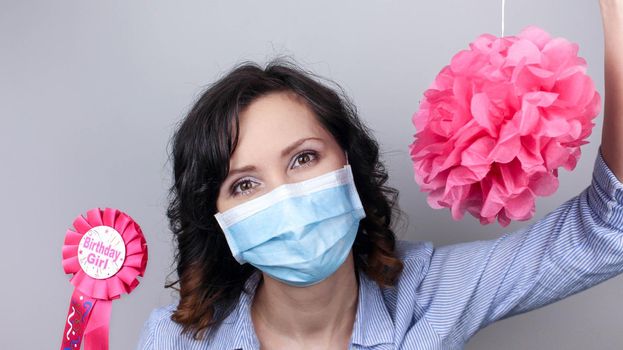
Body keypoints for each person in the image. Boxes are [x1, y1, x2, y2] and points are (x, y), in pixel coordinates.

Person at [138, 1, 623, 348]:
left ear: (349, 164)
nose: (286, 197)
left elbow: (608, 229)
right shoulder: (174, 341)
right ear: (217, 219)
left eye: (304, 158)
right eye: (244, 184)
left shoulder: (432, 293)